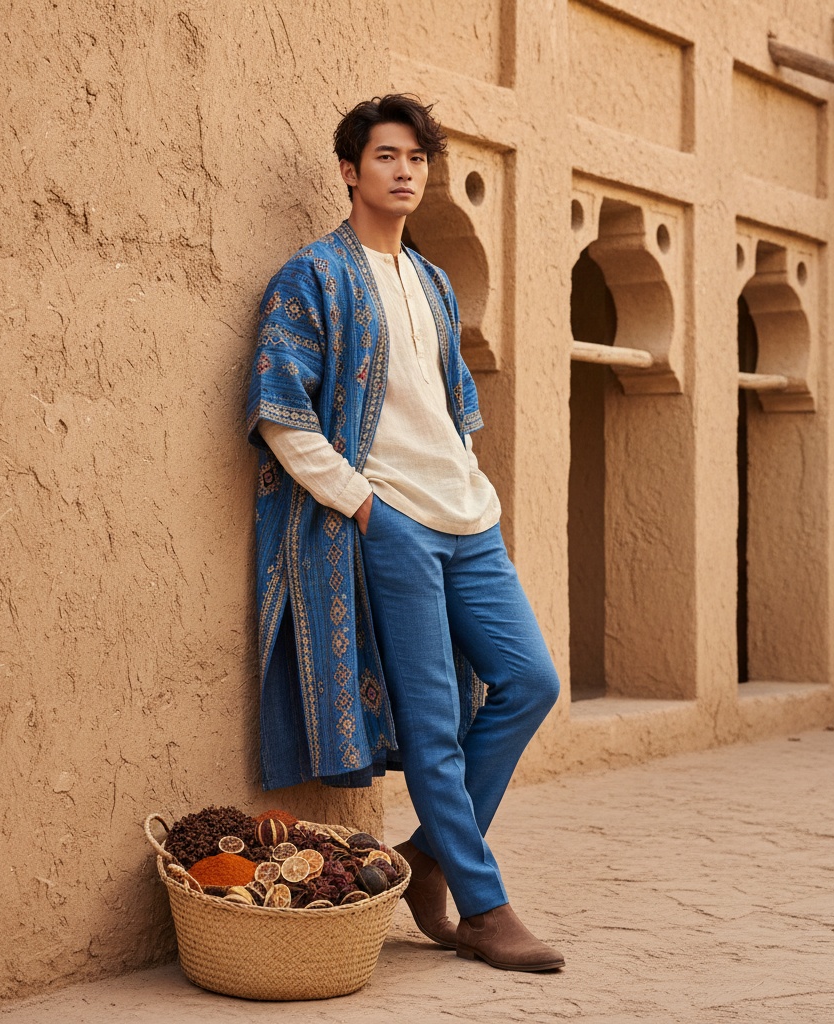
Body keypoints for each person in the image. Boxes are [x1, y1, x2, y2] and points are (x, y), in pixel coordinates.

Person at [246, 94, 563, 972]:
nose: (404, 171)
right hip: (392, 523)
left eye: (417, 159)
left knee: (530, 682)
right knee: (431, 724)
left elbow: (456, 402)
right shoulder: (311, 277)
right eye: (387, 157)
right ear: (350, 170)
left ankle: (425, 857)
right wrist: (361, 504)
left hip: (469, 521)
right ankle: (486, 907)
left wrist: (472, 479)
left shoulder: (431, 281)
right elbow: (280, 409)